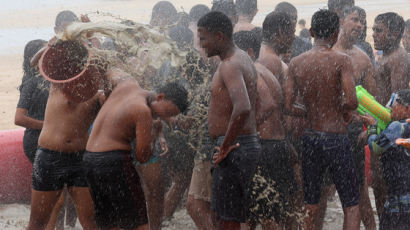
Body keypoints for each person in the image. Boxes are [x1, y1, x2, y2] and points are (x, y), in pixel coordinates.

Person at [284, 9, 360, 230]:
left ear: (311, 32)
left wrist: (311, 111)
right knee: (351, 204)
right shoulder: (341, 60)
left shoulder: (296, 63)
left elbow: (288, 106)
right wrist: (338, 110)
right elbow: (353, 102)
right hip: (336, 138)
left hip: (310, 138)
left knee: (310, 203)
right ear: (336, 34)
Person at [84, 68, 188, 229]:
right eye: (167, 112)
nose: (162, 117)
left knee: (109, 222)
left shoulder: (128, 83)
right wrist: (153, 135)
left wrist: (106, 96)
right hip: (114, 162)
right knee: (139, 224)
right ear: (160, 97)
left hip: (90, 159)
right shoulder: (143, 112)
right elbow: (142, 157)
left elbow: (108, 70)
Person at [26, 40, 103, 230]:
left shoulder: (97, 93)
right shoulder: (57, 83)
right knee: (37, 223)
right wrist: (53, 45)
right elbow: (35, 62)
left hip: (80, 159)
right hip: (49, 157)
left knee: (90, 222)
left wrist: (95, 47)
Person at [197, 11, 260, 230]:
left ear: (220, 37)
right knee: (226, 216)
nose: (200, 43)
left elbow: (243, 107)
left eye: (203, 37)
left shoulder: (229, 64)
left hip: (233, 147)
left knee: (227, 221)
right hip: (241, 144)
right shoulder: (242, 58)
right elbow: (254, 104)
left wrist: (224, 146)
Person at [234, 30, 298, 230]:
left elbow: (269, 104)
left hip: (263, 147)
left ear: (246, 51)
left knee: (265, 217)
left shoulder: (250, 68)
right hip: (275, 146)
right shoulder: (264, 69)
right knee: (258, 213)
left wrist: (244, 130)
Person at [333, 6, 377, 230]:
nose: (360, 25)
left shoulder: (363, 60)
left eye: (362, 21)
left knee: (360, 193)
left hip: (352, 135)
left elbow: (373, 105)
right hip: (326, 132)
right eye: (355, 19)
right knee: (321, 195)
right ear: (341, 20)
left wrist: (366, 130)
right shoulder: (326, 53)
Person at [372, 12, 410, 217]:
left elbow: (399, 106)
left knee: (389, 191)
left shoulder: (398, 58)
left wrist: (375, 129)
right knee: (380, 188)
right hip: (385, 127)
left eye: (379, 30)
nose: (374, 34)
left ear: (395, 34)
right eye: (373, 30)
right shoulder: (385, 55)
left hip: (393, 133)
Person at [366, 89, 410, 230]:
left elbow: (376, 147)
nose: (390, 108)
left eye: (395, 104)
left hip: (398, 198)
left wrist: (372, 128)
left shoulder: (398, 126)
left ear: (407, 108)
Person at [15, 40, 48, 164]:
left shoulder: (49, 79)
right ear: (34, 58)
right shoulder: (31, 83)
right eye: (46, 52)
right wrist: (48, 126)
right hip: (36, 142)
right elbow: (19, 119)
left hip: (48, 139)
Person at [257, 11, 294, 87]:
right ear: (280, 32)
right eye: (292, 32)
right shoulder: (272, 60)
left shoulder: (261, 50)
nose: (294, 37)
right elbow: (273, 95)